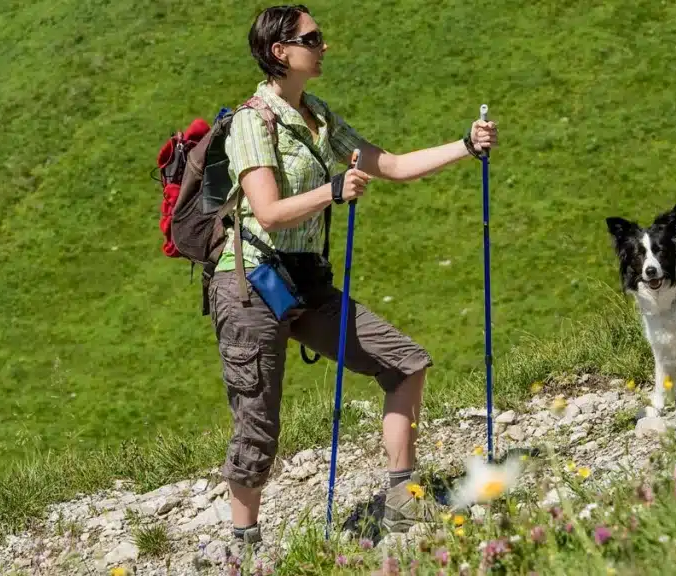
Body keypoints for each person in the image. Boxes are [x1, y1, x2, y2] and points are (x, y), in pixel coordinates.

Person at [209, 3, 498, 552]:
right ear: (280, 52)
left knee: (406, 363)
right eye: (312, 39)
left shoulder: (318, 116)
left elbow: (391, 164)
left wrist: (465, 145)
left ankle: (400, 504)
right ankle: (243, 547)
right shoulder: (252, 120)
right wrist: (332, 191)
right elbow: (267, 212)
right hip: (250, 283)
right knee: (258, 424)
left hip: (305, 281)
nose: (323, 46)